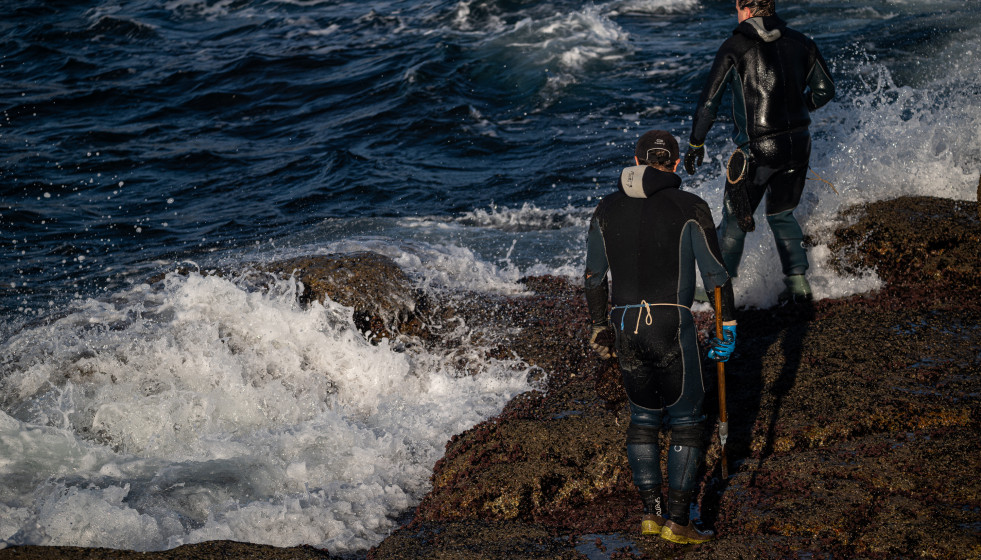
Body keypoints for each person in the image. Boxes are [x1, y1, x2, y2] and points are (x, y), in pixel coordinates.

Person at [584, 130, 737, 544]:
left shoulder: (605, 208)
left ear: (636, 159)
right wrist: (729, 327)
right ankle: (678, 521)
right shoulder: (690, 206)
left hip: (624, 325)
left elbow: (594, 277)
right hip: (671, 323)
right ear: (673, 164)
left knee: (643, 420)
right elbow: (717, 277)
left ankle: (650, 515)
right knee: (687, 423)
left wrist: (599, 326)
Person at [685, 0, 835, 303]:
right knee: (782, 214)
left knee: (734, 218)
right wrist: (796, 111)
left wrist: (695, 143)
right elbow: (825, 90)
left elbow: (708, 104)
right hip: (798, 144)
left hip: (757, 149)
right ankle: (798, 283)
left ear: (745, 8)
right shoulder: (801, 42)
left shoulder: (735, 47)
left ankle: (717, 290)